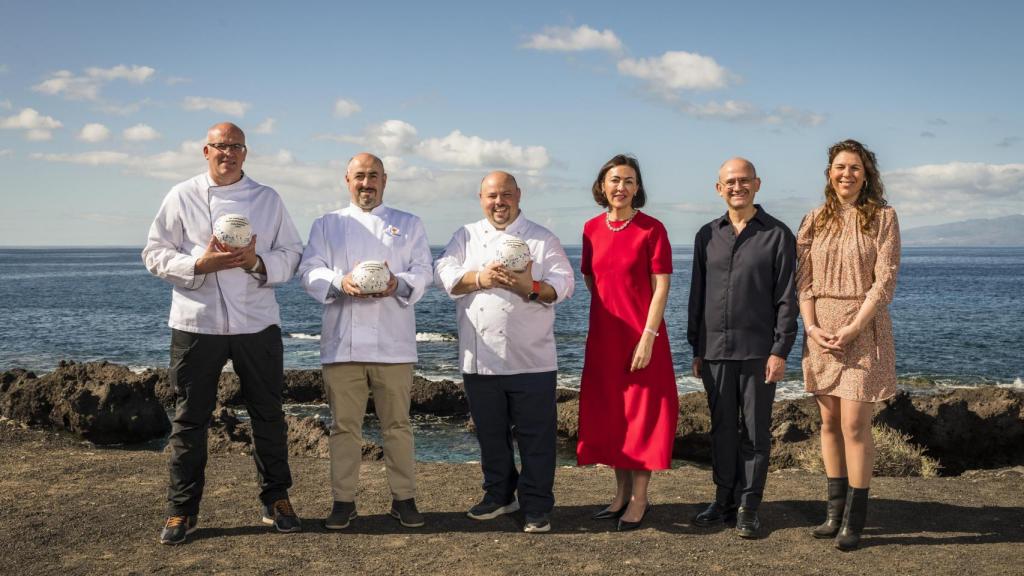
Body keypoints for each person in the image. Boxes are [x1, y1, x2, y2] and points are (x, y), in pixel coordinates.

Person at [143, 122, 304, 545]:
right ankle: (182, 509)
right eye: (220, 146)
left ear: (245, 153)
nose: (227, 153)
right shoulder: (182, 195)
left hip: (256, 323)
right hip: (197, 323)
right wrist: (199, 264)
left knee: (268, 415)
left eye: (235, 146)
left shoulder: (267, 199)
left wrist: (255, 263)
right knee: (189, 419)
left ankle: (276, 499)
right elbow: (154, 253)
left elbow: (292, 254)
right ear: (206, 151)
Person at [434, 171, 575, 534]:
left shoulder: (542, 238)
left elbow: (564, 283)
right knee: (490, 435)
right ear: (481, 198)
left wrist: (531, 286)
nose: (499, 202)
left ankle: (537, 505)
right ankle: (499, 494)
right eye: (492, 196)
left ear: (518, 195)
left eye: (506, 195)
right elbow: (443, 271)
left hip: (532, 359)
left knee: (536, 438)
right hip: (480, 359)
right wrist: (480, 277)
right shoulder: (465, 236)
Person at [298, 153, 433, 529]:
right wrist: (340, 282)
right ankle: (343, 501)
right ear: (347, 180)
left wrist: (397, 283)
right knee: (344, 427)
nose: (366, 183)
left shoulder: (409, 223)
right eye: (359, 176)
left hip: (394, 343)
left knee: (398, 426)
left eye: (373, 176)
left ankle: (404, 499)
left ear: (385, 180)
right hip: (343, 343)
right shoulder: (327, 224)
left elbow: (425, 271)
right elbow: (308, 270)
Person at [797, 139, 900, 551]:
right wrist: (811, 327)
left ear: (866, 174)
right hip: (822, 332)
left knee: (854, 425)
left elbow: (885, 280)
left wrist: (856, 326)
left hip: (863, 330)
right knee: (828, 424)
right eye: (840, 167)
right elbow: (803, 281)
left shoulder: (884, 217)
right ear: (829, 173)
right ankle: (833, 514)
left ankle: (854, 521)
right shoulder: (814, 219)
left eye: (855, 167)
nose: (847, 174)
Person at [688, 157, 798, 539]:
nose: (738, 187)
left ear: (757, 184)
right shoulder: (706, 235)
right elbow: (698, 295)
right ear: (719, 188)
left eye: (744, 180)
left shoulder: (778, 235)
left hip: (758, 352)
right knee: (721, 430)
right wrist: (696, 347)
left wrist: (780, 350)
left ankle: (749, 507)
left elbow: (787, 298)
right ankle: (723, 501)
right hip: (714, 350)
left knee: (755, 433)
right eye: (730, 182)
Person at [577, 154, 678, 531]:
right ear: (602, 186)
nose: (621, 187)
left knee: (641, 417)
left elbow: (661, 287)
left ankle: (639, 499)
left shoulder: (652, 229)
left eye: (629, 181)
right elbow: (591, 279)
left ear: (638, 188)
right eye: (615, 180)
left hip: (643, 337)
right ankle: (619, 495)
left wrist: (647, 336)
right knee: (613, 416)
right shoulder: (590, 229)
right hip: (605, 338)